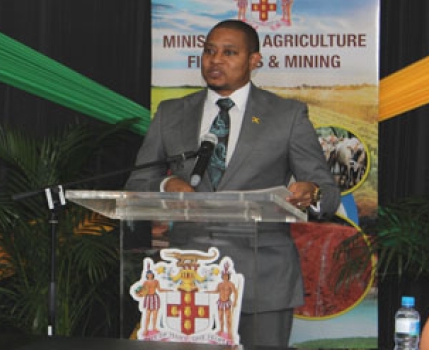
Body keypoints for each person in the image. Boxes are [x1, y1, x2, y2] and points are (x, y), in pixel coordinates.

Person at [124, 19, 339, 347]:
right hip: (188, 277)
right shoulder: (171, 113)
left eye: (229, 52)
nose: (215, 60)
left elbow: (328, 190)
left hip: (263, 275)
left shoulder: (287, 115)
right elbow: (139, 181)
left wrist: (312, 193)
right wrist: (168, 185)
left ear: (254, 60)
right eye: (209, 51)